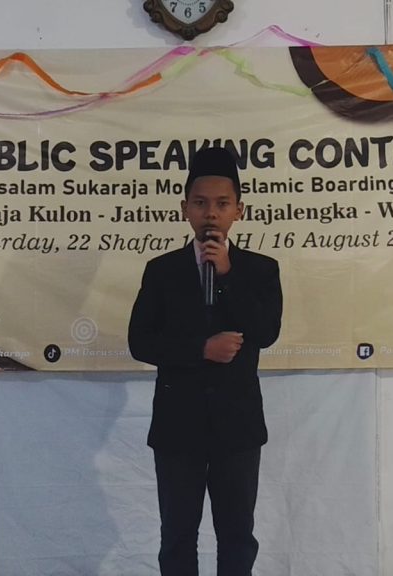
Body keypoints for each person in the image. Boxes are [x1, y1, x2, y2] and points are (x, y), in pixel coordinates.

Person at [128, 147, 283, 576]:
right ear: (185, 209)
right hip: (178, 427)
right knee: (178, 537)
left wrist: (228, 275)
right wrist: (201, 349)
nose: (210, 213)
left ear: (238, 210)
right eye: (200, 203)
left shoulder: (261, 270)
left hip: (238, 427)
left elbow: (265, 332)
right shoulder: (161, 270)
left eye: (221, 203)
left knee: (237, 537)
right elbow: (140, 342)